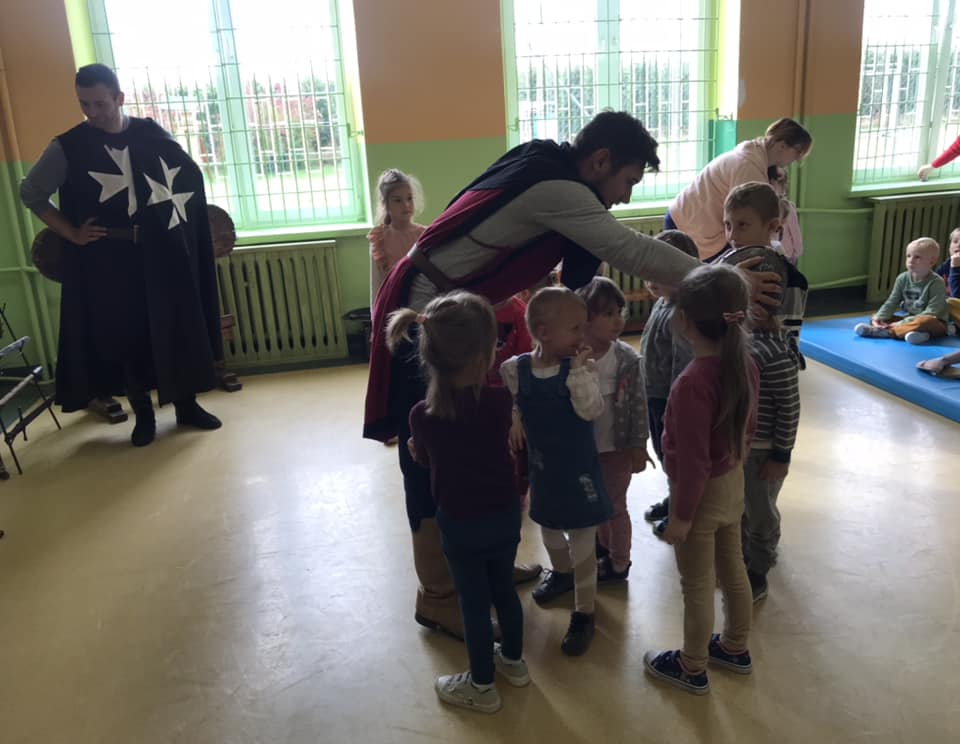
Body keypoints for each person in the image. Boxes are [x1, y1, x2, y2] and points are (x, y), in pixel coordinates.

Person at [362, 111, 782, 642]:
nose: (625, 197)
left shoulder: (544, 162)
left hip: (450, 303)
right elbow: (628, 248)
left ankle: (485, 564)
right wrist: (719, 278)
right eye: (627, 181)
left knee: (467, 444)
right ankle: (438, 596)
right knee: (434, 456)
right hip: (428, 310)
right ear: (600, 160)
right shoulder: (557, 187)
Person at [19, 63, 222, 447]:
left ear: (119, 98)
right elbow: (31, 193)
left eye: (100, 103)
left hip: (161, 253)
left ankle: (187, 406)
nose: (92, 112)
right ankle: (143, 414)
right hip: (108, 259)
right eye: (84, 104)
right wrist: (71, 233)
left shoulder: (151, 134)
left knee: (174, 324)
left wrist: (183, 232)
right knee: (126, 334)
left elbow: (185, 178)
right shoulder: (69, 146)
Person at [395, 291, 528, 714]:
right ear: (486, 355)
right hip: (506, 514)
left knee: (473, 604)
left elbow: (425, 459)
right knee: (504, 590)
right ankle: (514, 662)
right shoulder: (500, 401)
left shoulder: (421, 416)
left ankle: (482, 685)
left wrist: (418, 449)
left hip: (460, 521)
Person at [643, 264, 759, 696]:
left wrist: (681, 517)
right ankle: (734, 646)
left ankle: (691, 667)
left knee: (696, 585)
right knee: (733, 568)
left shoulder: (691, 383)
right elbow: (748, 429)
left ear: (684, 320)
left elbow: (691, 462)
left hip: (701, 495)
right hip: (732, 483)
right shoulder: (745, 364)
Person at [499, 287, 610, 656]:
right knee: (548, 529)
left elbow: (591, 410)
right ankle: (562, 574)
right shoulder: (517, 370)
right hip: (545, 471)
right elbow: (513, 400)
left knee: (582, 540)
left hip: (580, 472)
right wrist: (514, 417)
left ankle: (584, 611)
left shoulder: (581, 369)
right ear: (544, 333)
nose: (583, 336)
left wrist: (578, 374)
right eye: (575, 329)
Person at [575, 276, 650, 582]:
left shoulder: (626, 359)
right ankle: (603, 547)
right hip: (583, 450)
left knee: (615, 506)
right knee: (592, 503)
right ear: (585, 318)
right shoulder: (573, 356)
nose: (619, 320)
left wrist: (638, 446)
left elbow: (638, 406)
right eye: (608, 314)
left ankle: (620, 562)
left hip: (616, 450)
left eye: (620, 312)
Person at [666, 118, 813, 260]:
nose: (796, 159)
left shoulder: (753, 156)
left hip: (684, 217)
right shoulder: (749, 168)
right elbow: (749, 221)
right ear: (782, 146)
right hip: (688, 226)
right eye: (798, 152)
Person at [639, 230, 699, 536]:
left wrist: (676, 406)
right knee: (663, 452)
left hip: (669, 400)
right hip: (654, 395)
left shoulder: (681, 313)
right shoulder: (662, 303)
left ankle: (684, 508)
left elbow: (684, 364)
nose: (651, 280)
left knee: (675, 455)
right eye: (649, 272)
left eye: (660, 273)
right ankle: (674, 497)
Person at [855, 237, 949, 344]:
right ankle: (918, 335)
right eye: (908, 256)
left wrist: (902, 323)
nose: (911, 260)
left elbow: (932, 312)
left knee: (925, 321)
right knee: (879, 317)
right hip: (911, 319)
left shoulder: (936, 282)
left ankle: (885, 332)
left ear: (932, 261)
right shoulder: (902, 278)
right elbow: (892, 302)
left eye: (917, 257)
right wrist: (878, 318)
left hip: (934, 322)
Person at [369, 169, 426, 304]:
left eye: (409, 198)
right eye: (398, 200)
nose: (406, 205)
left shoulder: (424, 234)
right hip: (393, 305)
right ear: (385, 204)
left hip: (422, 304)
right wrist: (376, 314)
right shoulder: (379, 238)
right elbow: (376, 285)